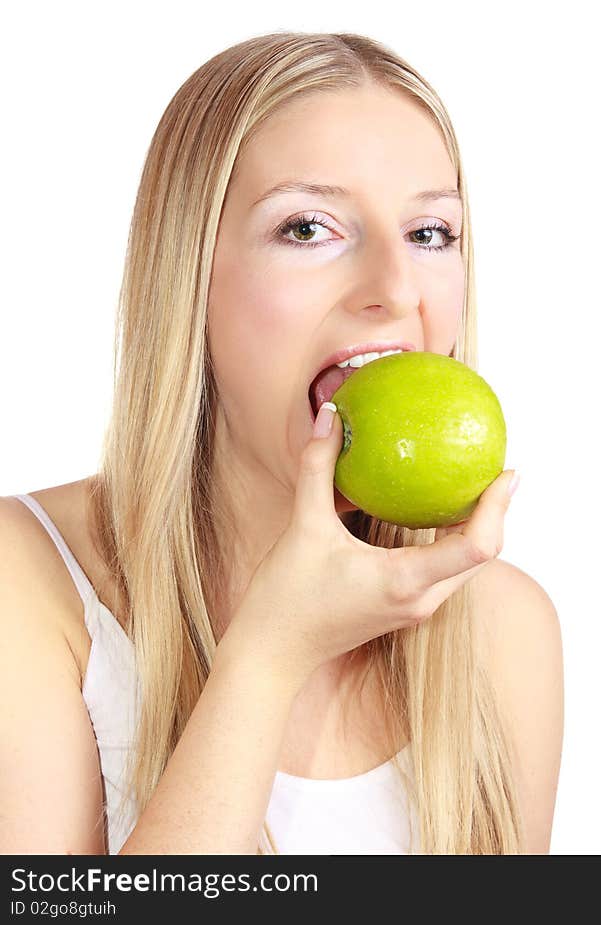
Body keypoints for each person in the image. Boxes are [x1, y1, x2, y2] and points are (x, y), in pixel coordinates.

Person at [0, 31, 563, 855]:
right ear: (190, 274)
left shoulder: (504, 631)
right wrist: (267, 654)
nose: (395, 290)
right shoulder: (29, 585)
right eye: (308, 227)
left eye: (430, 233)